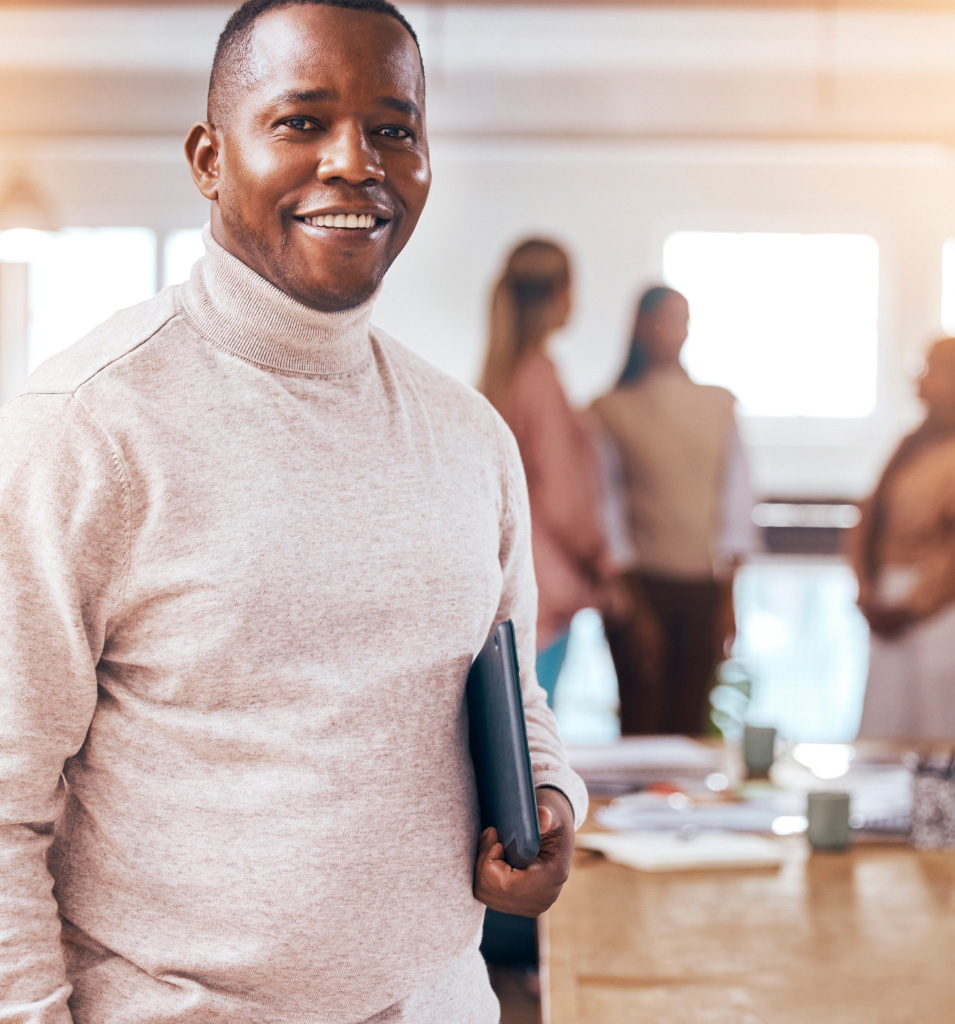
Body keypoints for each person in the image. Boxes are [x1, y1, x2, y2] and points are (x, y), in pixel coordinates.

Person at [0, 3, 587, 1023]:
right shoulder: (88, 425)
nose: (355, 162)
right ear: (208, 158)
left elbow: (510, 695)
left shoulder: (469, 435)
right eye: (302, 121)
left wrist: (547, 801)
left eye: (392, 127)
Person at [591, 285, 755, 736]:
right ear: (640, 327)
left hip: (703, 588)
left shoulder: (720, 405)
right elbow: (607, 512)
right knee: (642, 724)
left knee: (691, 727)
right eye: (661, 319)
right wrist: (635, 608)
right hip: (639, 588)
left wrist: (728, 599)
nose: (672, 330)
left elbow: (735, 505)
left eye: (681, 320)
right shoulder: (610, 410)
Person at [478, 238, 613, 709]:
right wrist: (602, 561)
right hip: (546, 587)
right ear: (557, 293)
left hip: (510, 581)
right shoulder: (541, 378)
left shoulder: (497, 376)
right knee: (538, 733)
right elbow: (565, 498)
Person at [852, 335, 955, 741]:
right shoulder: (912, 444)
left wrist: (912, 607)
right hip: (891, 607)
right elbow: (869, 519)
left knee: (939, 740)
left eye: (936, 370)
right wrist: (867, 589)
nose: (923, 380)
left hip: (948, 613)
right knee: (883, 732)